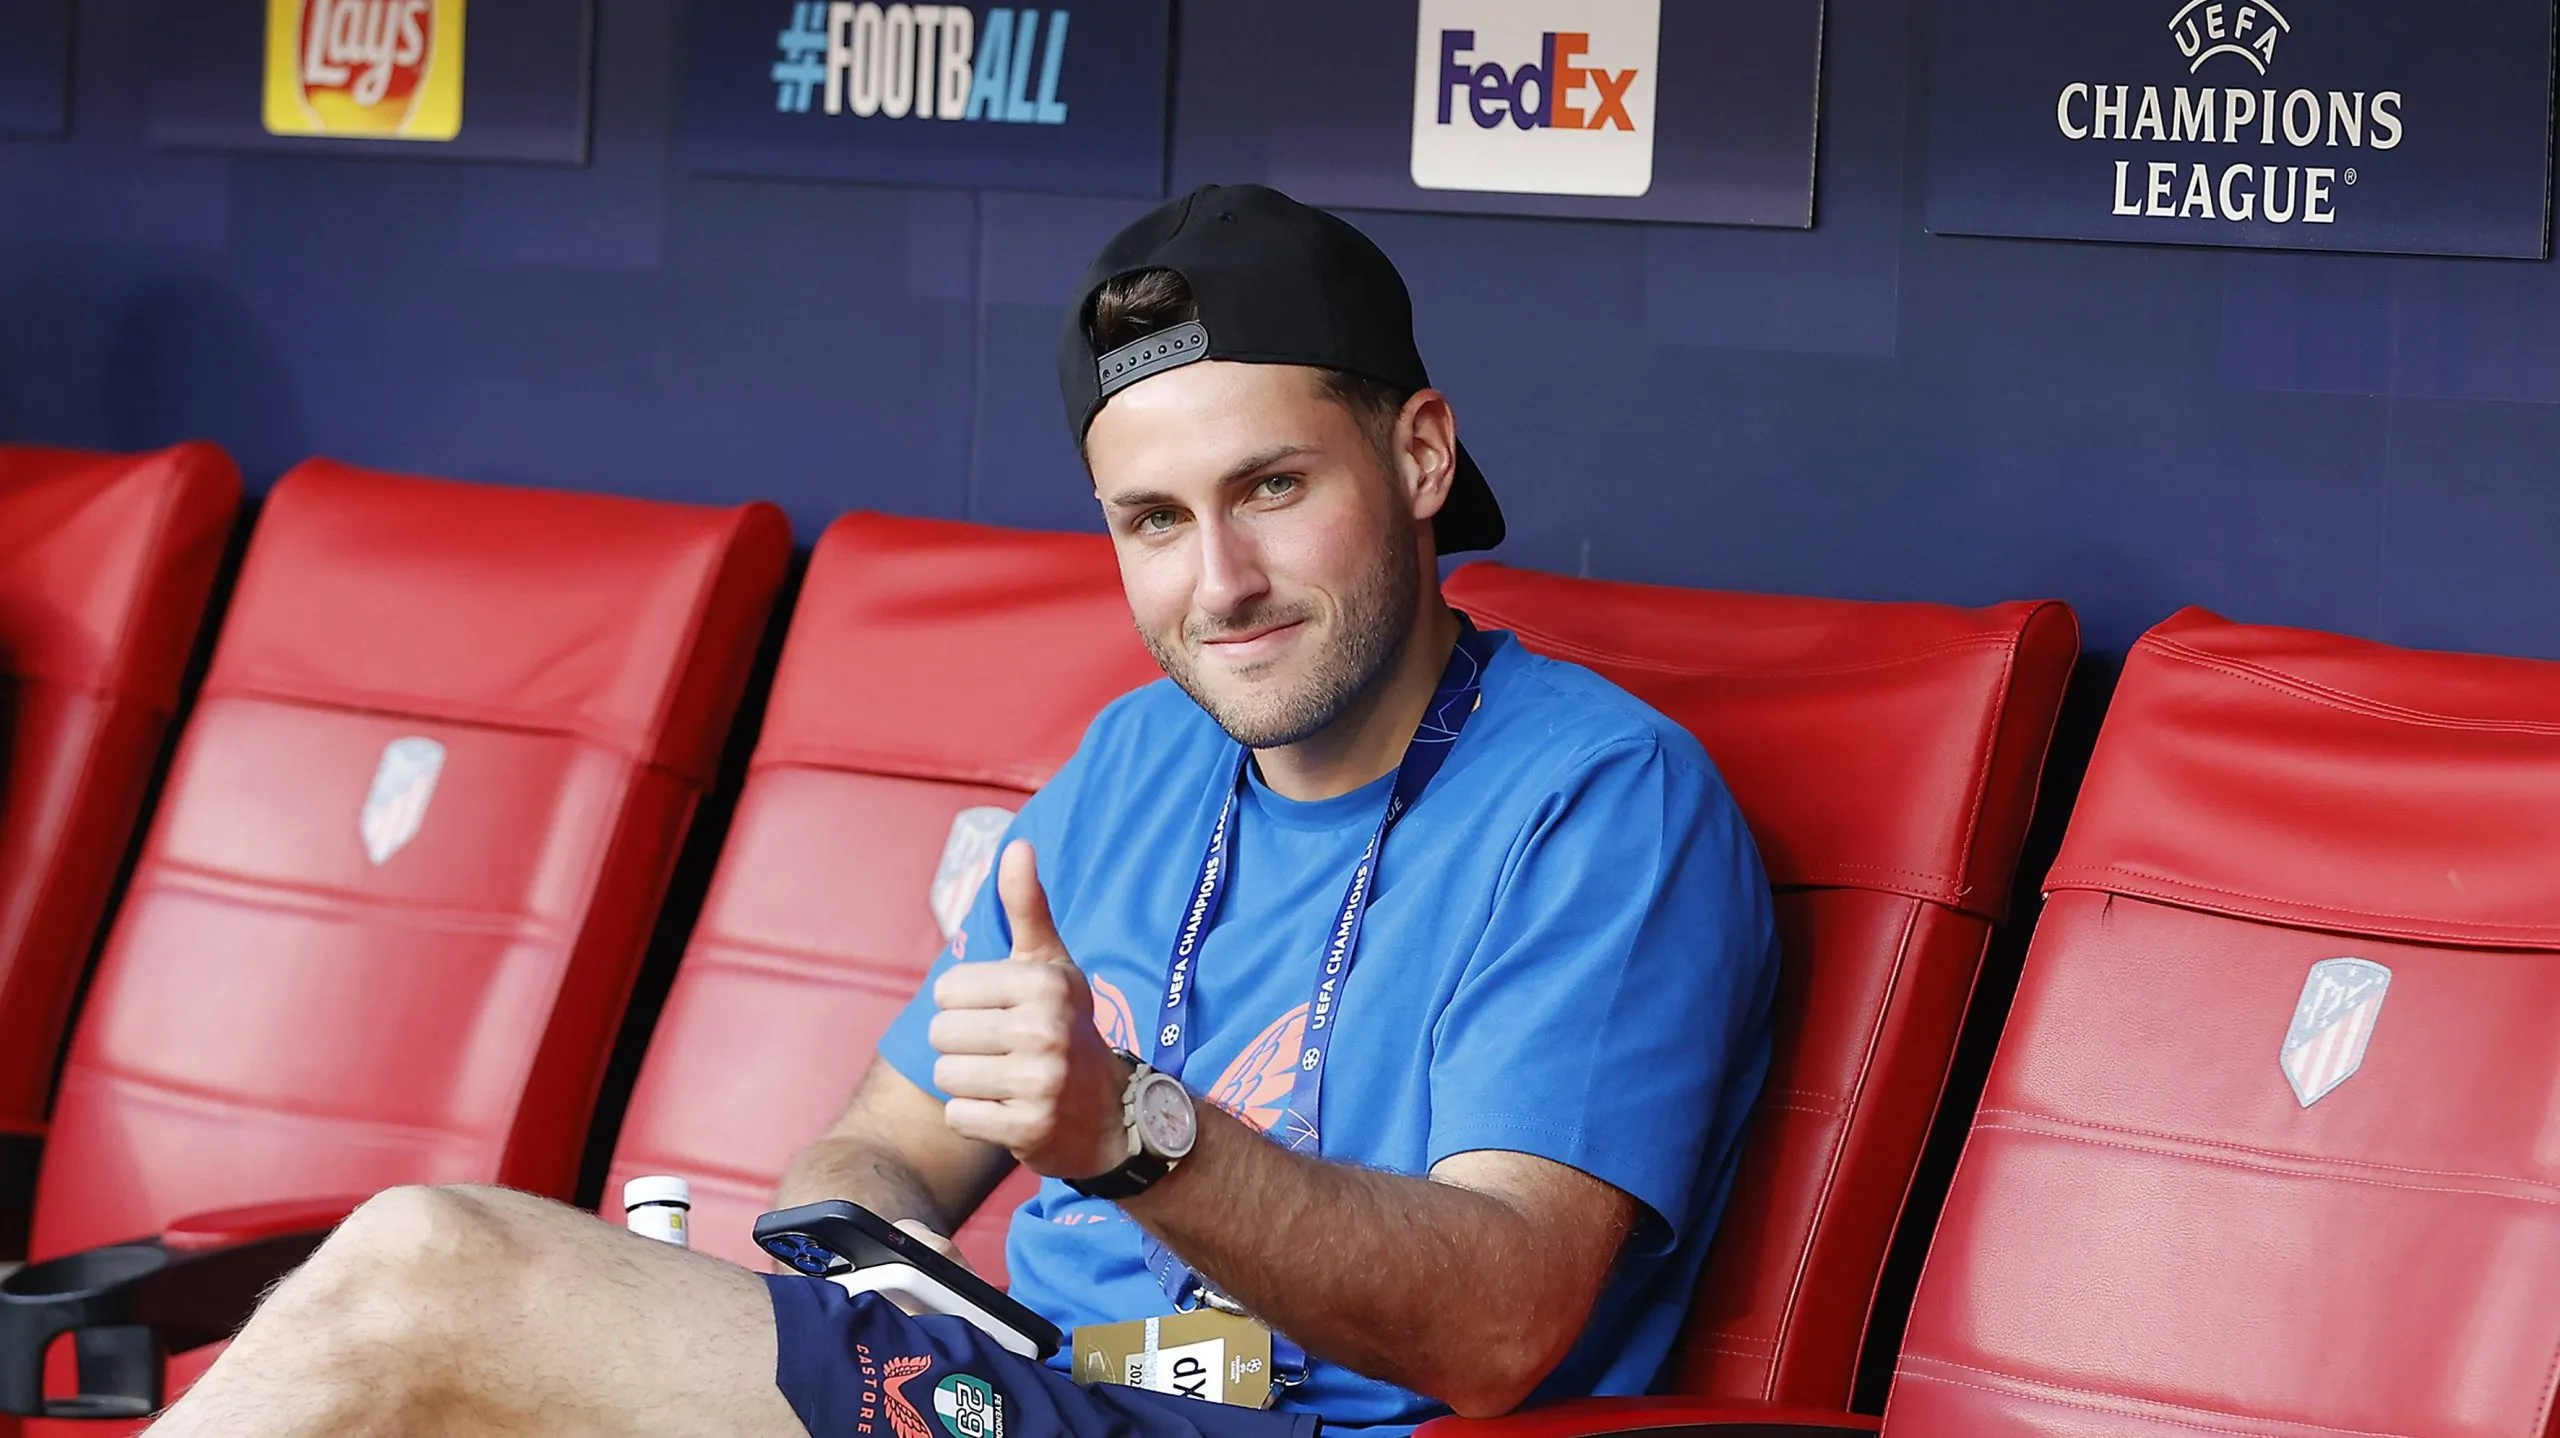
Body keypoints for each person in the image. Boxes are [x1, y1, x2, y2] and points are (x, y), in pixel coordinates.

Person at [143, 184, 1778, 1438]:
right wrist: (864, 1248)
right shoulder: (1140, 756)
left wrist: (1129, 1134)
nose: (1220, 583)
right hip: (1016, 1392)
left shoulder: (1599, 798)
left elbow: (1500, 1319)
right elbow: (876, 1145)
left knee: (431, 1271)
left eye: (1272, 487)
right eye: (1151, 519)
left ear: (1419, 456)